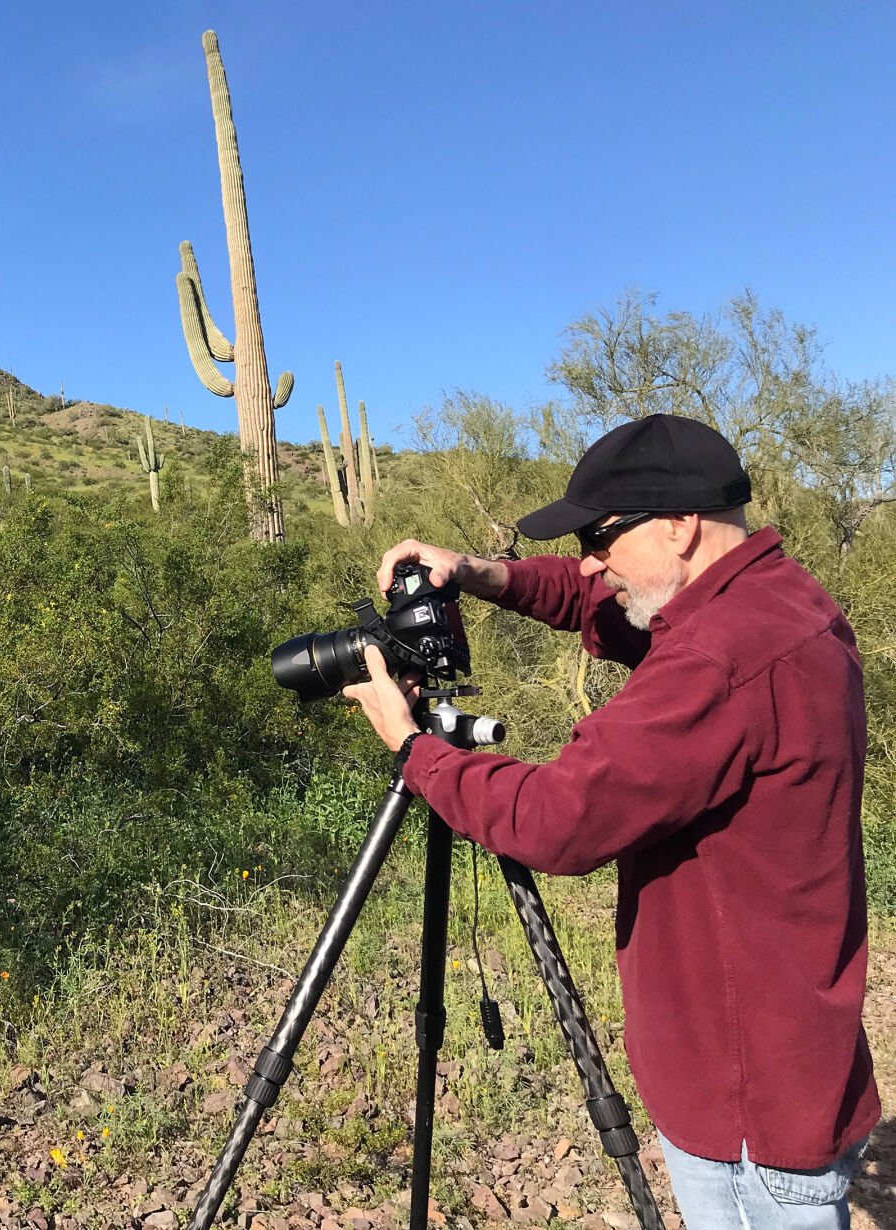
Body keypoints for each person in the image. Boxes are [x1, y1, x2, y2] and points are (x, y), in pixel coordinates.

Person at [339, 414, 879, 1230]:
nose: (590, 561)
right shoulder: (777, 602)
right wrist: (479, 574)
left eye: (600, 537)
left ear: (679, 524)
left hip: (747, 1113)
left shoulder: (718, 661)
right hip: (792, 1057)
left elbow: (556, 821)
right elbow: (602, 602)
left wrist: (414, 748)